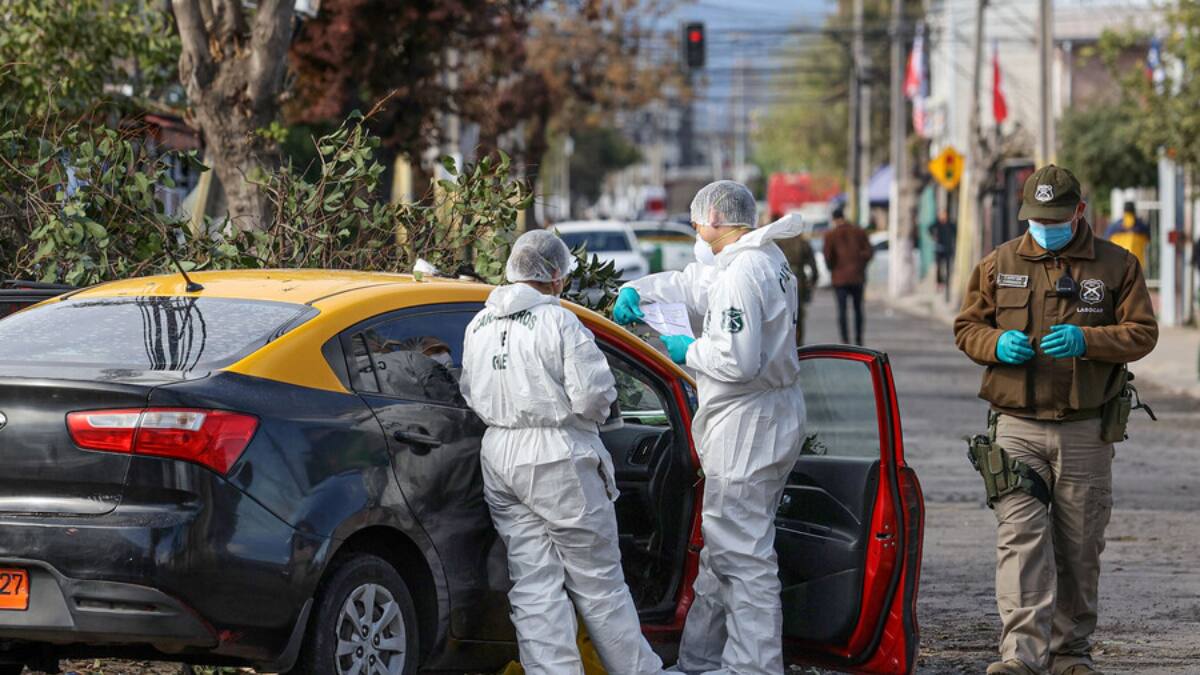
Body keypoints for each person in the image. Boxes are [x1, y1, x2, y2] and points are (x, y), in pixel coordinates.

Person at [954, 165, 1158, 675]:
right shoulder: (998, 263)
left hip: (1085, 428)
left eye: (1056, 218)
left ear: (1079, 213)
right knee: (1019, 537)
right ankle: (1019, 655)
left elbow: (1143, 332)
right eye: (1036, 219)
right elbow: (967, 327)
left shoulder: (1117, 265)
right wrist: (995, 343)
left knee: (1078, 545)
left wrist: (1091, 341)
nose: (1045, 227)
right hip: (1016, 425)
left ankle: (1069, 652)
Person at [611, 180, 806, 675]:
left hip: (748, 422)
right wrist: (642, 288)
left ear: (716, 218)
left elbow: (737, 361)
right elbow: (697, 285)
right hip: (762, 416)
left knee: (743, 555)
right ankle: (702, 660)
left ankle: (755, 666)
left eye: (698, 219)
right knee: (724, 549)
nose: (696, 229)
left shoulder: (746, 272)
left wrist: (685, 352)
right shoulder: (758, 261)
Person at [459, 230, 664, 675]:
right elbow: (594, 396)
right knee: (598, 583)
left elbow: (471, 391)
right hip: (557, 453)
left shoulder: (478, 324)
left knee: (534, 584)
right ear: (554, 275)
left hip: (499, 452)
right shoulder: (560, 322)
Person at [823, 206, 874, 345]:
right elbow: (869, 252)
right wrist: (860, 264)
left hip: (839, 279)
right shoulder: (859, 232)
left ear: (834, 219)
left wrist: (833, 269)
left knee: (842, 311)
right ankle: (858, 340)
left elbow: (828, 257)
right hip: (857, 277)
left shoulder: (830, 235)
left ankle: (845, 340)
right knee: (858, 309)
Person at [776, 229, 820, 346]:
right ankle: (799, 344)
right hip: (799, 280)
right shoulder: (803, 243)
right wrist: (812, 281)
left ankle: (785, 342)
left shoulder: (780, 243)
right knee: (798, 314)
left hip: (782, 280)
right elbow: (813, 267)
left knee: (783, 313)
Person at [1104, 201, 1151, 270]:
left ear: (1124, 211)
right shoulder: (1142, 227)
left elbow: (1105, 243)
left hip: (1119, 264)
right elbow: (1148, 240)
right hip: (1137, 264)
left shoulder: (1114, 228)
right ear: (1134, 211)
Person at [930, 209, 958, 288]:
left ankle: (947, 281)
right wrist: (933, 236)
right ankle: (939, 282)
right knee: (939, 266)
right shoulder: (937, 223)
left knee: (948, 266)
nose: (943, 216)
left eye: (944, 214)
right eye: (941, 214)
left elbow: (956, 231)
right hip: (939, 248)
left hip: (948, 248)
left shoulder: (950, 224)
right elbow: (930, 228)